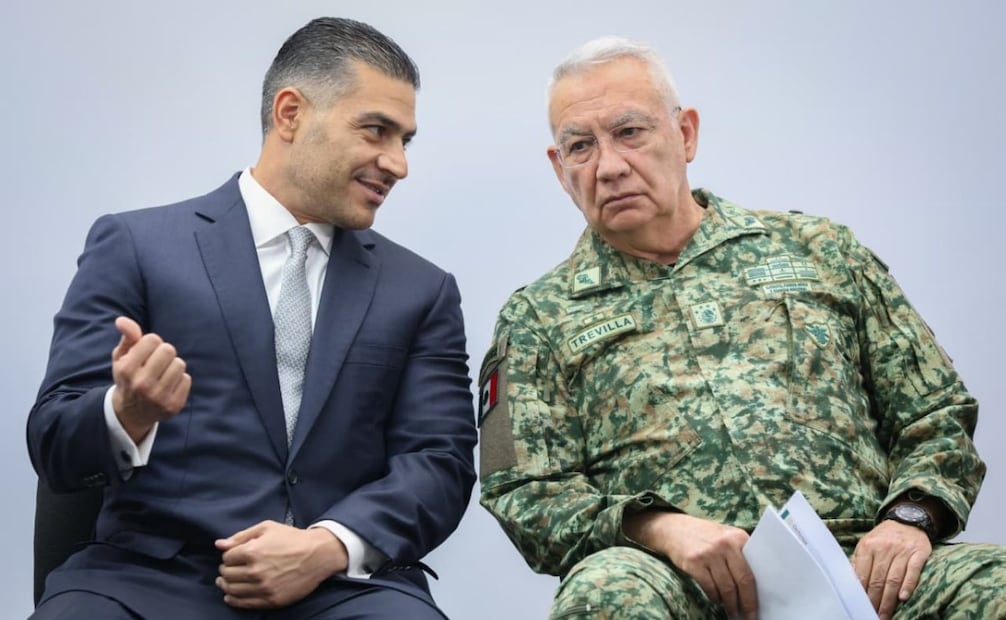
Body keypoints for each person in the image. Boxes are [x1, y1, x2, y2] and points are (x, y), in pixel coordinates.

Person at [478, 35, 1006, 620]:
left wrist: (910, 519)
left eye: (630, 132)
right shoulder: (536, 316)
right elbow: (524, 493)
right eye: (581, 146)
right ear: (560, 168)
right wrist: (657, 528)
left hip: (866, 570)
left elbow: (935, 413)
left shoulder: (821, 250)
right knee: (607, 594)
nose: (609, 166)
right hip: (675, 583)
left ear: (685, 134)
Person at [28, 16, 477, 620]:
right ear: (290, 114)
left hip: (344, 590)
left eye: (405, 140)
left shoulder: (421, 291)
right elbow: (54, 440)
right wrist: (125, 413)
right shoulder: (136, 245)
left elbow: (440, 464)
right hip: (146, 582)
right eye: (376, 131)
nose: (397, 163)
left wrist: (327, 547)